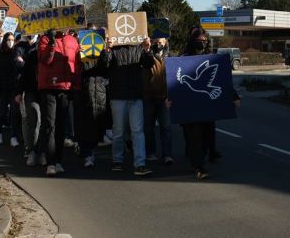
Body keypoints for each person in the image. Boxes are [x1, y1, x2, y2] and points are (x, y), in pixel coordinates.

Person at [176, 28, 241, 179]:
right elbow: (174, 82)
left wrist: (234, 96)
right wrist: (170, 99)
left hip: (207, 107)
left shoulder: (211, 58)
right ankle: (198, 166)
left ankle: (201, 158)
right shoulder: (182, 59)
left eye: (204, 41)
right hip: (190, 107)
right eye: (199, 41)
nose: (202, 43)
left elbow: (222, 80)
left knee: (206, 136)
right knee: (194, 136)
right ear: (192, 41)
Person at [99, 35, 154, 176]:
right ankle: (117, 160)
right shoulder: (113, 48)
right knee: (118, 131)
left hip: (135, 95)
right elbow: (103, 66)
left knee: (137, 131)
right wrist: (107, 49)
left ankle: (140, 164)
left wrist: (148, 50)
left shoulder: (138, 47)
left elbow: (149, 64)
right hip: (118, 95)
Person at [38, 28, 82, 176]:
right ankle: (50, 162)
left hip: (66, 88)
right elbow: (45, 60)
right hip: (49, 87)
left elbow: (76, 64)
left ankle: (58, 160)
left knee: (61, 126)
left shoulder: (72, 40)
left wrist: (76, 85)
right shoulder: (45, 39)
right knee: (50, 125)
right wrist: (51, 43)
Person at [75, 24, 108, 168]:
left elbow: (105, 68)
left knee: (97, 125)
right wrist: (78, 54)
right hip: (84, 92)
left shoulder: (103, 52)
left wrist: (106, 52)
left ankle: (91, 151)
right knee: (86, 125)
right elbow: (78, 70)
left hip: (99, 92)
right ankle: (87, 153)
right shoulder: (80, 53)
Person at [15, 35, 44, 166]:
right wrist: (19, 92)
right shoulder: (33, 55)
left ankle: (43, 151)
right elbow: (25, 75)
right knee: (34, 119)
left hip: (47, 92)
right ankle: (33, 150)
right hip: (32, 90)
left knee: (46, 122)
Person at [143, 37, 173, 165]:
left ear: (166, 42)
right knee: (148, 128)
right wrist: (147, 49)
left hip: (164, 98)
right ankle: (151, 153)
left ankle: (167, 155)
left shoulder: (171, 58)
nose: (159, 43)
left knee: (165, 127)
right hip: (149, 97)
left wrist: (170, 96)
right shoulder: (147, 56)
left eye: (161, 41)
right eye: (156, 41)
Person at [0, 32, 20, 147]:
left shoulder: (16, 53)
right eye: (8, 39)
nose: (10, 41)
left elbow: (19, 69)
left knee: (14, 112)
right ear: (4, 41)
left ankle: (14, 136)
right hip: (2, 88)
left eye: (12, 39)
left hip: (13, 87)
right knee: (2, 111)